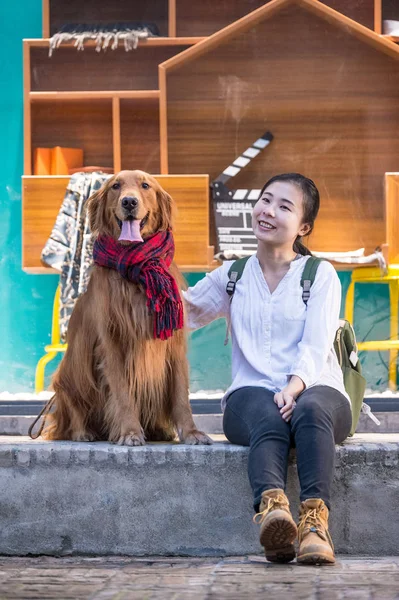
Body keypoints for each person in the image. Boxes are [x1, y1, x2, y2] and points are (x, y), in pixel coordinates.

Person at [183, 173, 352, 565]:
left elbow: (316, 345)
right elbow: (185, 311)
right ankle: (274, 512)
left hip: (317, 392)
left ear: (304, 226)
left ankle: (313, 525)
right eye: (264, 200)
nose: (268, 211)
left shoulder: (319, 274)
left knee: (310, 408)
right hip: (252, 396)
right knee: (266, 412)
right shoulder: (233, 275)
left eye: (284, 206)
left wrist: (294, 388)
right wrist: (144, 277)